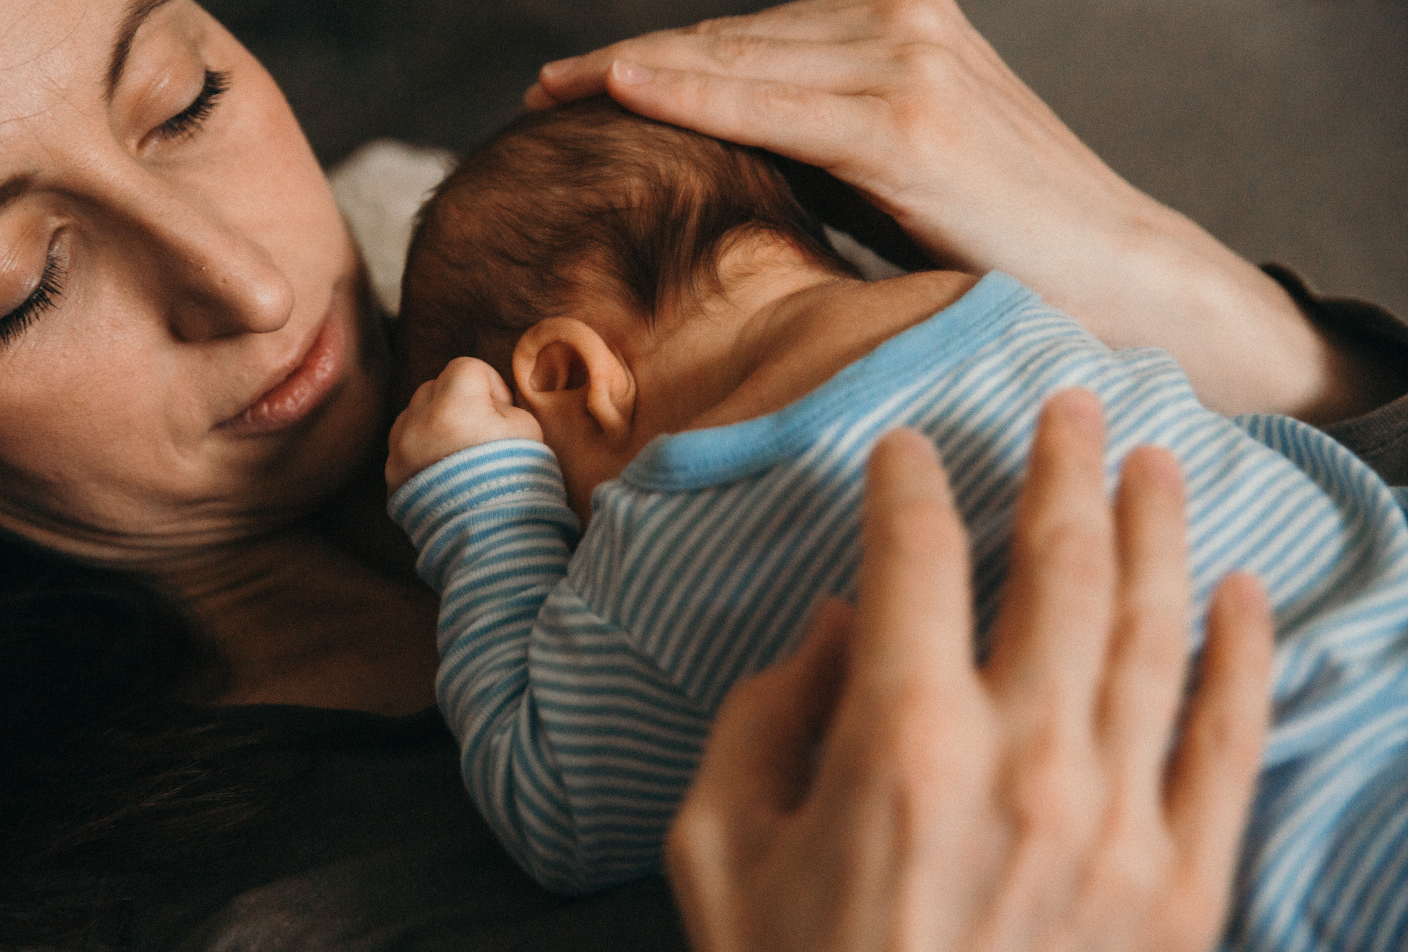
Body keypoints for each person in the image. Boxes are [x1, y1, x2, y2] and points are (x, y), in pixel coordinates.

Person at [0, 0, 1393, 948]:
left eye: (185, 94)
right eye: (19, 288)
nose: (258, 287)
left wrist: (1195, 300)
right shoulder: (92, 910)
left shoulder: (459, 230)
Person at [382, 96, 1408, 946]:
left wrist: (486, 504)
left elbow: (553, 808)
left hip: (1289, 871)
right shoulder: (1016, 308)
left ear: (566, 377)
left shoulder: (671, 534)